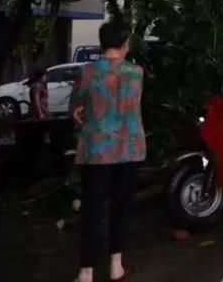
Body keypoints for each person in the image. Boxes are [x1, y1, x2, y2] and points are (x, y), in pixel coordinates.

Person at [70, 21, 145, 282]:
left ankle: (86, 272)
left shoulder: (88, 72)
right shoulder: (136, 73)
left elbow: (76, 109)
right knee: (121, 208)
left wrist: (83, 113)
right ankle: (116, 266)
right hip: (129, 150)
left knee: (92, 210)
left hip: (97, 151)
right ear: (124, 44)